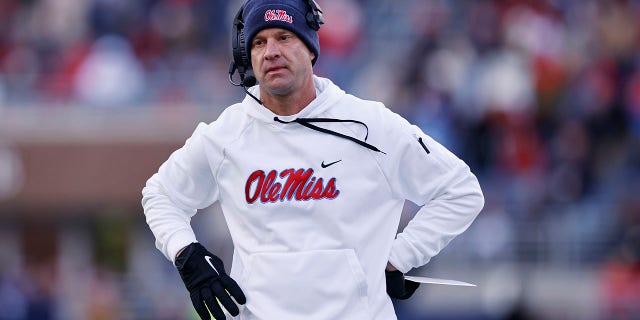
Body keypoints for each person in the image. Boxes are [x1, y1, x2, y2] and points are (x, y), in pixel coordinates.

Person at [141, 0, 484, 319]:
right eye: (258, 43)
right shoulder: (226, 135)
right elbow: (160, 195)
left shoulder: (371, 125)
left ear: (310, 47)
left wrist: (401, 256)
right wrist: (186, 254)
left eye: (284, 37)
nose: (270, 51)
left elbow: (460, 190)